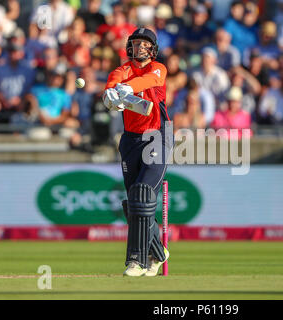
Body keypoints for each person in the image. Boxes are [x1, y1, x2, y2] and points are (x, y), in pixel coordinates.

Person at [102, 28, 171, 277]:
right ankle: (159, 254)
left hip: (157, 137)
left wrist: (127, 89)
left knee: (142, 194)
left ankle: (136, 261)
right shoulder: (123, 70)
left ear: (152, 49)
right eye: (136, 43)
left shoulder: (158, 68)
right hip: (131, 140)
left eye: (145, 44)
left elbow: (150, 81)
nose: (140, 47)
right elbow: (113, 80)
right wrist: (110, 93)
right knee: (134, 202)